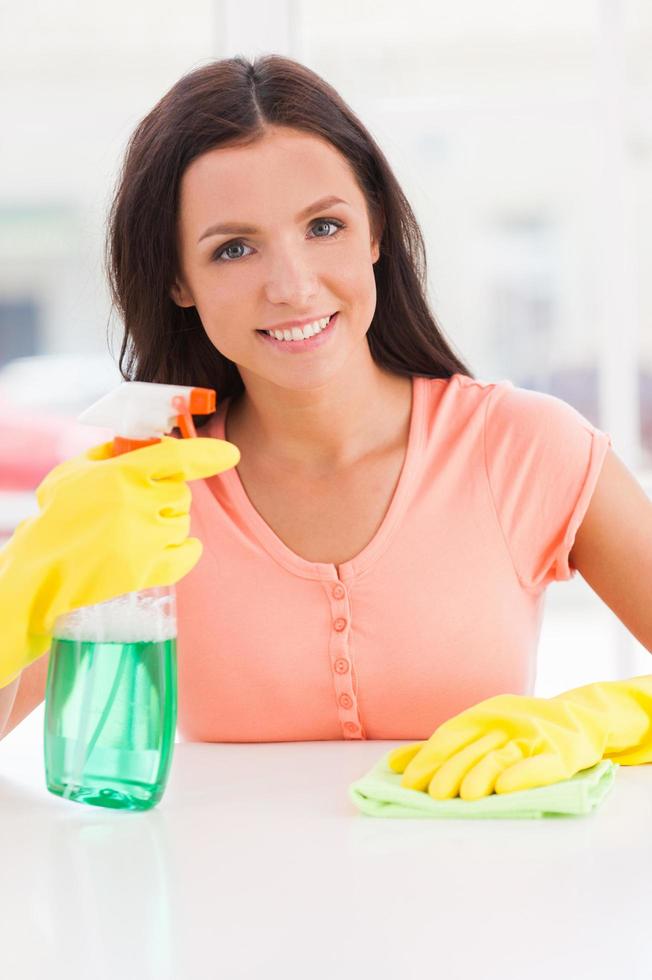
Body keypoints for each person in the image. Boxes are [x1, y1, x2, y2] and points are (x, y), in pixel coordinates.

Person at [3, 56, 651, 802]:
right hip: (217, 914)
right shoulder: (145, 490)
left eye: (324, 226)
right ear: (177, 279)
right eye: (233, 249)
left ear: (375, 231)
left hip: (481, 914)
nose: (293, 285)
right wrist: (26, 586)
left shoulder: (525, 447)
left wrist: (596, 719)